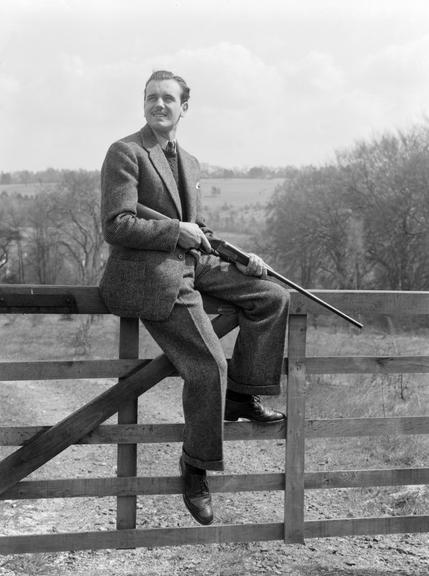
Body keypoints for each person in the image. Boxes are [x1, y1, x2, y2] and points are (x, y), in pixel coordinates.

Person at [99, 70, 289, 526]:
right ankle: (196, 465)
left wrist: (240, 258)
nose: (159, 104)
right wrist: (174, 230)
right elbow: (116, 224)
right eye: (152, 98)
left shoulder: (192, 162)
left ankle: (242, 396)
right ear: (144, 103)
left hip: (193, 263)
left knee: (272, 297)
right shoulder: (125, 152)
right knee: (208, 365)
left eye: (168, 98)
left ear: (185, 106)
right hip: (150, 275)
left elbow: (198, 232)